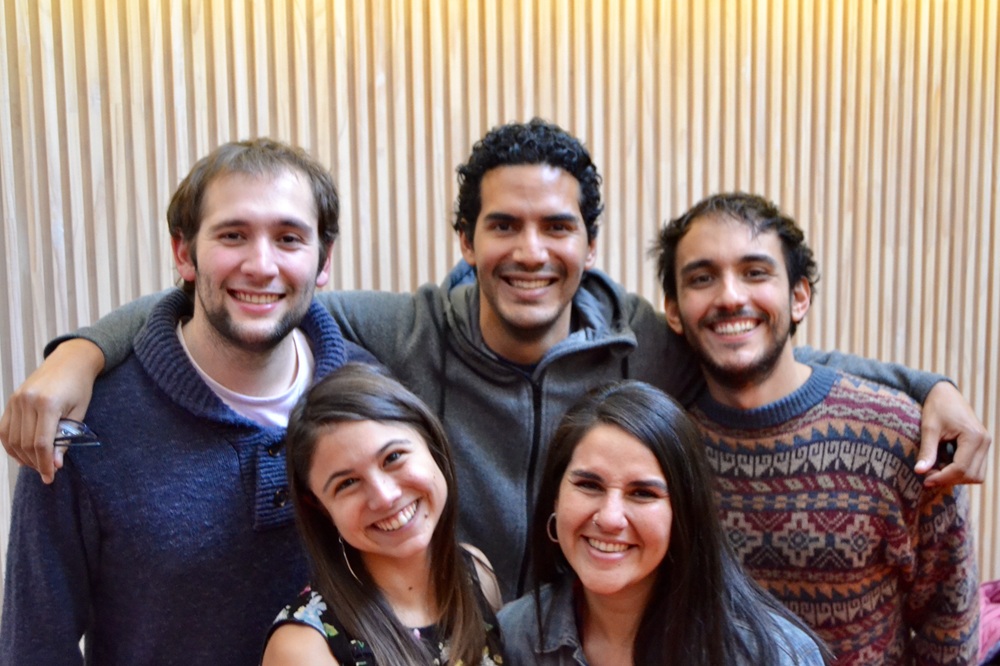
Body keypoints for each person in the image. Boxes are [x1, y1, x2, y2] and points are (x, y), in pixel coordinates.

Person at [0, 120, 990, 601]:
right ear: (466, 239)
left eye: (556, 226)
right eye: (502, 225)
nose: (529, 250)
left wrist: (925, 387)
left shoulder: (643, 339)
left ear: (587, 244)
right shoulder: (399, 328)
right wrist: (79, 355)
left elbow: (769, 352)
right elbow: (251, 295)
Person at [0, 138, 374, 665]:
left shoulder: (374, 398)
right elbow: (36, 644)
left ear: (323, 260)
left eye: (289, 238)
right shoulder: (84, 423)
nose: (261, 265)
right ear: (184, 253)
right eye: (233, 235)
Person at [653, 192, 979, 664]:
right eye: (702, 278)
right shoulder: (663, 447)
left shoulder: (903, 438)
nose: (729, 296)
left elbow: (949, 626)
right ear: (674, 312)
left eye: (755, 272)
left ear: (799, 296)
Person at [499, 380, 829, 665]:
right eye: (589, 485)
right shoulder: (515, 637)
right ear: (556, 497)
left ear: (684, 513)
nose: (611, 517)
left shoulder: (773, 655)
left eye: (642, 493)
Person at [261, 363, 503, 666]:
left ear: (430, 442)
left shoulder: (476, 575)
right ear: (320, 507)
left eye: (393, 457)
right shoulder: (303, 648)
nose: (385, 496)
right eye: (347, 483)